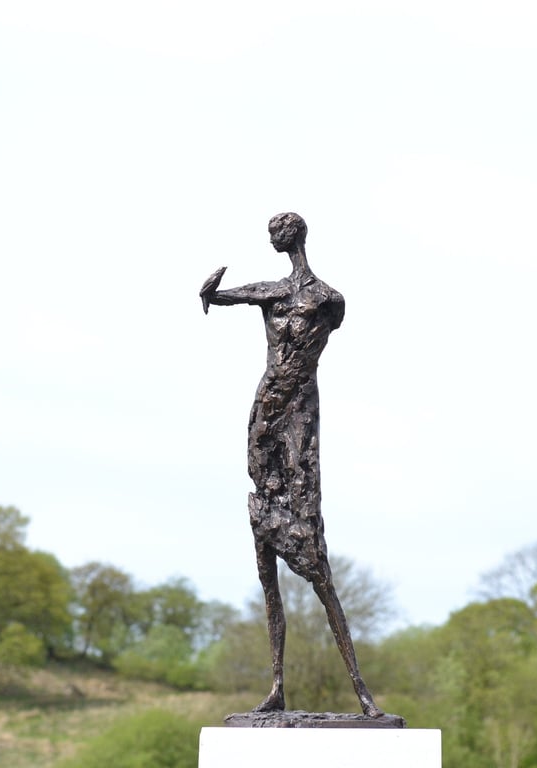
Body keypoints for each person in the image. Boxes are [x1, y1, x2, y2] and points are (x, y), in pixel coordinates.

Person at [200, 212, 383, 717]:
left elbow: (315, 333)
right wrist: (209, 292)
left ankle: (362, 693)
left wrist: (213, 294)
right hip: (267, 408)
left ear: (293, 237)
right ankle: (276, 685)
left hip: (300, 408)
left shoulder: (328, 300)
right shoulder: (271, 293)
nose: (273, 239)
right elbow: (220, 298)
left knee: (313, 553)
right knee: (264, 548)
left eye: (278, 233)